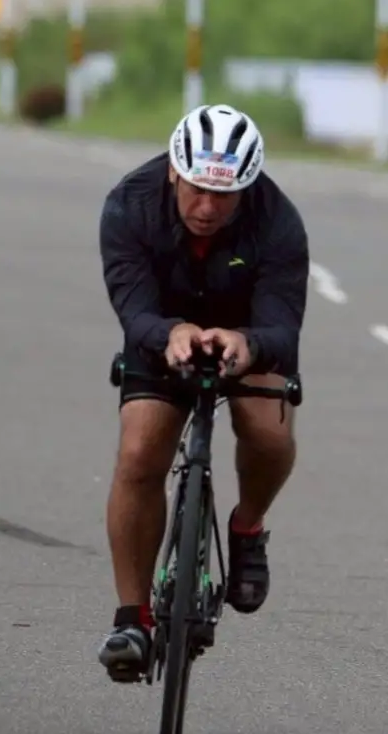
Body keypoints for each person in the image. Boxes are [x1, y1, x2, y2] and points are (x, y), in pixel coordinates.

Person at [96, 104, 311, 682]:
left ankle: (247, 526)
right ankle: (132, 621)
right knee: (140, 454)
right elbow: (131, 307)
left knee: (269, 428)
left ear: (250, 185)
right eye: (196, 190)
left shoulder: (278, 220)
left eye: (227, 195)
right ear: (173, 169)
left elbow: (283, 326)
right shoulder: (129, 205)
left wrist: (246, 341)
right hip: (162, 333)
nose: (208, 208)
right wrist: (170, 333)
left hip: (245, 334)